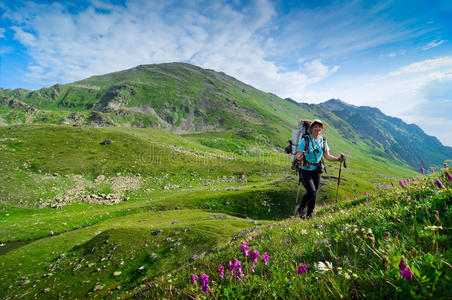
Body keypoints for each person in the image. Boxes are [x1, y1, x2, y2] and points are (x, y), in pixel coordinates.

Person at [295, 120, 344, 219]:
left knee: (314, 193)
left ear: (321, 129)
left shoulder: (323, 141)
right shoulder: (306, 140)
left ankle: (309, 214)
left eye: (320, 127)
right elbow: (298, 155)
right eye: (316, 126)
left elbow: (327, 156)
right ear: (311, 128)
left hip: (316, 169)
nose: (318, 129)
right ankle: (301, 208)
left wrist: (338, 159)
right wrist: (300, 156)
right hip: (305, 169)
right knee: (311, 192)